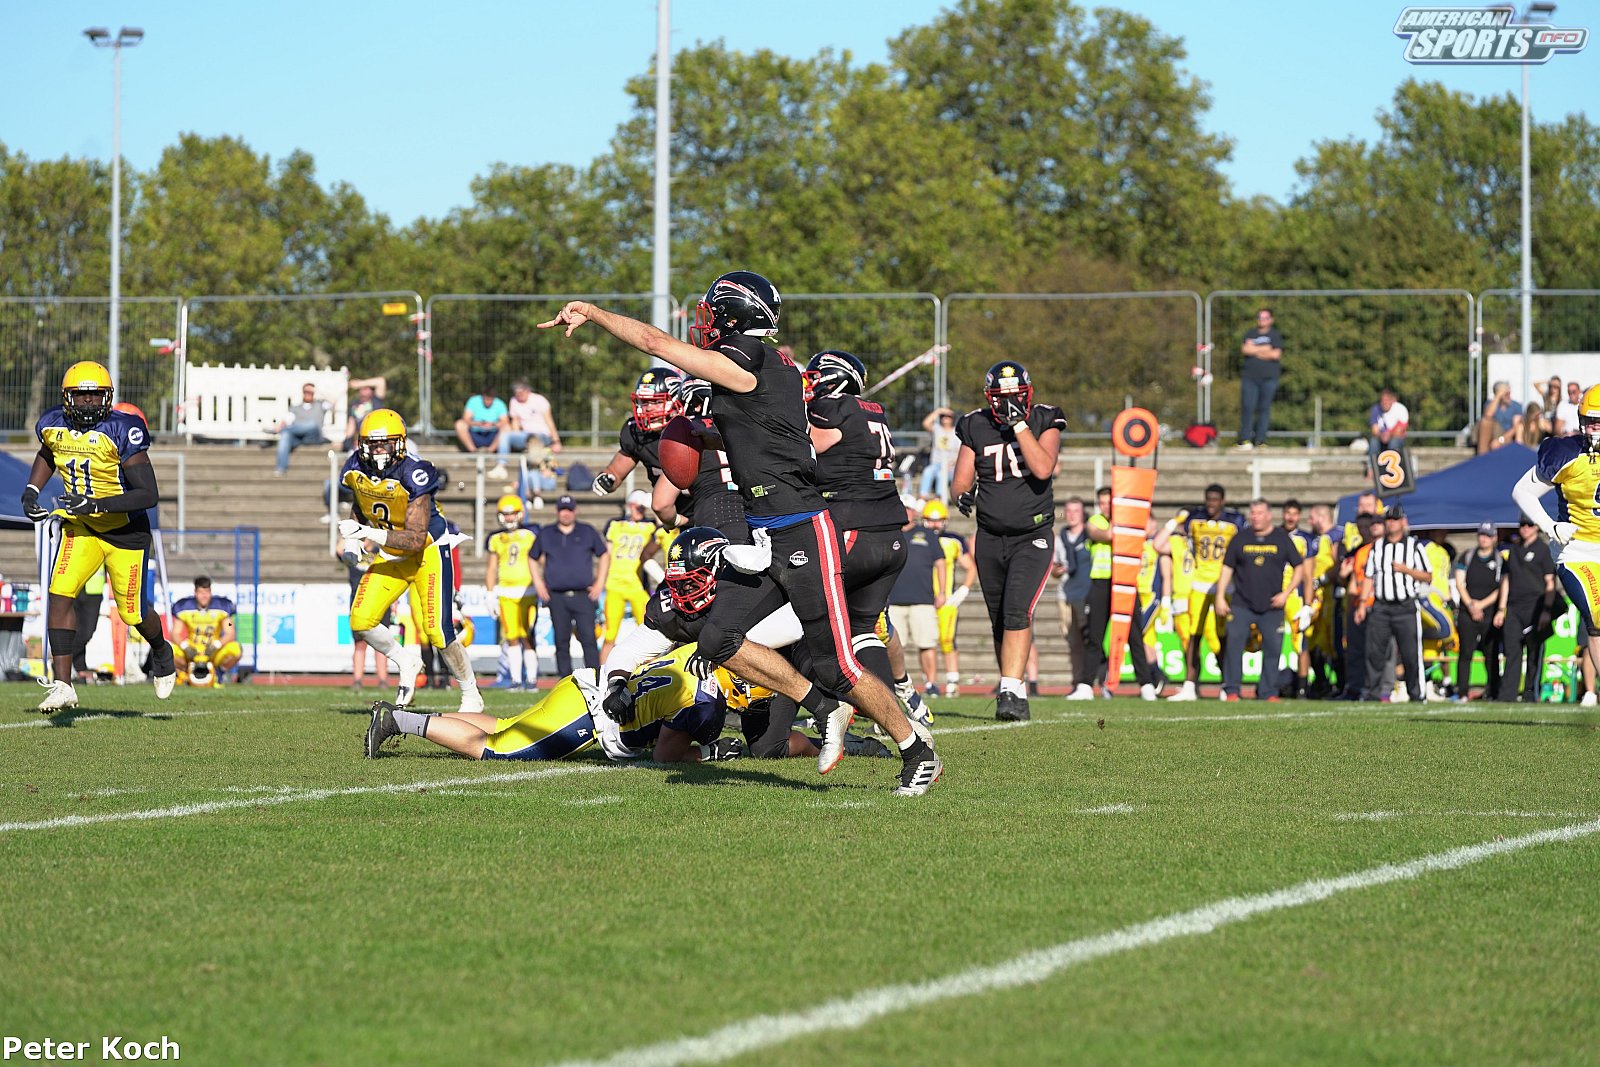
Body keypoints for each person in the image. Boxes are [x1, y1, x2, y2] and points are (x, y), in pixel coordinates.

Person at [538, 274, 940, 795]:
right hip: (764, 531)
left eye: (713, 311)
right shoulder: (768, 367)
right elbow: (747, 429)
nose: (705, 320)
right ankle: (824, 709)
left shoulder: (747, 363)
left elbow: (656, 343)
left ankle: (917, 750)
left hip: (801, 527)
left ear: (735, 316)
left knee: (837, 664)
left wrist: (593, 312)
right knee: (717, 638)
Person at [25, 361, 176, 710]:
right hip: (83, 527)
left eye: (96, 395)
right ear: (67, 398)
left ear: (107, 397)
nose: (89, 402)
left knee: (132, 613)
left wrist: (96, 503)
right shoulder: (51, 424)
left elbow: (148, 494)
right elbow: (47, 453)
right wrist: (32, 490)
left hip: (125, 532)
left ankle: (161, 650)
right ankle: (63, 684)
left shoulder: (123, 430)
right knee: (59, 595)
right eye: (82, 395)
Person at [336, 409, 480, 712]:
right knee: (361, 620)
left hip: (427, 552)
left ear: (399, 443)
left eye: (385, 443)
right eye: (373, 444)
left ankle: (471, 694)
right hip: (392, 553)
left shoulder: (414, 472)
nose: (378, 450)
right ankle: (406, 661)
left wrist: (367, 533)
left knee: (438, 631)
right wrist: (353, 539)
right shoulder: (355, 467)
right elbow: (362, 503)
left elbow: (415, 538)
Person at [949, 360, 1066, 721]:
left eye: (1016, 396)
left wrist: (1018, 425)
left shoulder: (1045, 418)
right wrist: (963, 494)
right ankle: (1014, 690)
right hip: (989, 536)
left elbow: (1043, 467)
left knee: (1017, 610)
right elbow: (960, 481)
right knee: (1000, 618)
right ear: (990, 398)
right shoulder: (976, 424)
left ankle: (1010, 691)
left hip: (1032, 535)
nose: (1010, 402)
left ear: (1028, 394)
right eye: (1003, 397)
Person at [804, 349, 912, 700]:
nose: (810, 386)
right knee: (863, 627)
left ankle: (808, 707)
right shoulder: (872, 410)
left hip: (853, 527)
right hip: (891, 533)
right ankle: (891, 713)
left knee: (807, 612)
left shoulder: (832, 407)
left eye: (815, 378)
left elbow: (807, 450)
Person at [1511, 384, 1600, 708]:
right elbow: (1522, 491)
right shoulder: (1567, 453)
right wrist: (1551, 526)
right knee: (1597, 616)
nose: (1594, 429)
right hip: (1577, 550)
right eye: (1590, 421)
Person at [1155, 483, 1245, 701]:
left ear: (1222, 501)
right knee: (1194, 635)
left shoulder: (1235, 521)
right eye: (1208, 499)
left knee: (1222, 636)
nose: (1211, 504)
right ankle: (1189, 685)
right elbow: (1164, 541)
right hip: (1199, 583)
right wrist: (1177, 520)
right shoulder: (1195, 518)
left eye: (1215, 499)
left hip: (1224, 585)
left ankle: (1228, 684)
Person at [1214, 499, 1311, 701]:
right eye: (1253, 513)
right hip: (1242, 603)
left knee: (1273, 649)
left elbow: (1299, 567)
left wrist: (1286, 593)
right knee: (1233, 645)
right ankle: (1231, 690)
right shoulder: (1240, 538)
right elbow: (1227, 568)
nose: (1255, 517)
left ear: (1268, 515)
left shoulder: (1281, 538)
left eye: (1259, 513)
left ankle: (1268, 691)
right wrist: (1220, 596)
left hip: (1272, 605)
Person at [1083, 487, 1165, 701]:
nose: (1105, 507)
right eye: (1102, 503)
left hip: (1125, 581)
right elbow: (1107, 534)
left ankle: (1146, 684)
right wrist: (1119, 520)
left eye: (1109, 502)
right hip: (1101, 582)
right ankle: (1086, 684)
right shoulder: (1094, 522)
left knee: (1135, 636)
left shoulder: (1127, 521)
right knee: (1095, 636)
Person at [1355, 506, 1432, 702]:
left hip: (1405, 607)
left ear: (1402, 522)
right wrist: (1362, 604)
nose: (1391, 523)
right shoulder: (1377, 547)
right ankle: (1372, 693)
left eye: (1394, 519)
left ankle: (1416, 694)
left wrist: (1406, 570)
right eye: (1388, 520)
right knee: (1374, 652)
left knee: (1410, 653)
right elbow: (1369, 577)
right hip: (1381, 606)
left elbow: (1427, 576)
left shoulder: (1414, 547)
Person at [531, 495, 607, 678]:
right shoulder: (547, 533)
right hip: (557, 596)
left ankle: (595, 679)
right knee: (561, 640)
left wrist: (599, 583)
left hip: (583, 595)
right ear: (557, 511)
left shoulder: (587, 531)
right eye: (562, 510)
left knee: (588, 639)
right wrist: (538, 583)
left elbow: (604, 554)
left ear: (575, 511)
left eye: (569, 510)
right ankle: (564, 680)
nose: (566, 514)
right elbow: (532, 557)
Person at [1494, 516, 1557, 702]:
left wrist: (1546, 609)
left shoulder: (1543, 550)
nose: (1525, 528)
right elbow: (1506, 580)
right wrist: (1501, 609)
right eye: (1522, 525)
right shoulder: (1513, 550)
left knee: (1534, 652)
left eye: (1529, 525)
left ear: (1536, 527)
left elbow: (1550, 582)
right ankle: (1508, 695)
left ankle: (1531, 693)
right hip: (1514, 608)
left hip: (1536, 607)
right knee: (1512, 651)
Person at [485, 494, 541, 691]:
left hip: (528, 592)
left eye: (512, 513)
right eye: (505, 514)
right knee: (512, 637)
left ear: (520, 514)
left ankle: (532, 679)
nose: (509, 518)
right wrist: (490, 593)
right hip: (506, 593)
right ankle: (516, 680)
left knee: (528, 636)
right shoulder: (495, 538)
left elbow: (540, 560)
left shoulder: (531, 534)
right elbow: (491, 567)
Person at [593, 370, 678, 496]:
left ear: (676, 402)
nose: (649, 408)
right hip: (669, 506)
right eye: (644, 402)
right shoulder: (637, 433)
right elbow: (615, 472)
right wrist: (607, 480)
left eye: (657, 402)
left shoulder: (692, 431)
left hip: (703, 503)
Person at [600, 491, 660, 663]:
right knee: (609, 635)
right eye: (637, 507)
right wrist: (600, 581)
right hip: (615, 585)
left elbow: (663, 522)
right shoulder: (615, 524)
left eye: (642, 508)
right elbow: (607, 555)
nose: (640, 511)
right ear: (629, 505)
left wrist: (651, 505)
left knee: (649, 633)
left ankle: (652, 674)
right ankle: (603, 673)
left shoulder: (649, 525)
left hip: (637, 585)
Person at [923, 499, 975, 698]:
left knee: (947, 640)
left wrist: (963, 590)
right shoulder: (918, 538)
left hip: (946, 600)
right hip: (922, 597)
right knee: (926, 643)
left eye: (938, 520)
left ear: (945, 520)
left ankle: (952, 682)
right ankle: (930, 683)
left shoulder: (953, 540)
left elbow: (970, 567)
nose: (934, 524)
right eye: (930, 520)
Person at [1453, 522, 1504, 701]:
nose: (1484, 539)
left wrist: (1481, 605)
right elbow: (1459, 583)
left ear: (1494, 538)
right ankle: (1462, 692)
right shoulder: (1467, 556)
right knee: (1465, 652)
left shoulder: (1499, 560)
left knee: (1491, 653)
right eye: (1482, 535)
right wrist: (1471, 605)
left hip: (1489, 613)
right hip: (1467, 611)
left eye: (1488, 535)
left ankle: (1493, 692)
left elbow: (1502, 588)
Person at [1051, 497, 1093, 699]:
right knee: (1073, 641)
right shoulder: (1060, 538)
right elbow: (1054, 569)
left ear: (1083, 513)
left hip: (1087, 593)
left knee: (1090, 640)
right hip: (1066, 594)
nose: (1072, 515)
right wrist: (1057, 571)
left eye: (1076, 511)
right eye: (1068, 510)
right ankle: (1078, 682)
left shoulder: (1091, 535)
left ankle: (1093, 680)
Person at [170, 576, 242, 686]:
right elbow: (175, 633)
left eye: (207, 592)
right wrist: (185, 647)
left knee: (236, 649)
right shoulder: (184, 607)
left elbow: (230, 632)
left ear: (211, 592)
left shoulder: (222, 607)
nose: (204, 596)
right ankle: (186, 672)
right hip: (192, 649)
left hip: (213, 650)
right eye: (201, 592)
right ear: (195, 592)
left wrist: (216, 645)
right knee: (168, 650)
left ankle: (218, 673)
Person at [1235, 307, 1282, 452]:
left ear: (1271, 320)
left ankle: (1261, 440)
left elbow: (1275, 354)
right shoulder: (1250, 333)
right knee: (1248, 407)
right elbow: (1245, 350)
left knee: (1264, 408)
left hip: (1269, 378)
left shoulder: (1275, 335)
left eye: (1266, 318)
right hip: (1250, 377)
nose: (1262, 320)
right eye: (1260, 317)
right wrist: (1265, 349)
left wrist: (1254, 350)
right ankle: (1245, 439)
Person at [498, 380, 562, 479]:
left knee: (533, 439)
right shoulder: (514, 401)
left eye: (521, 393)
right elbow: (515, 422)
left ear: (527, 390)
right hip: (525, 435)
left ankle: (537, 468)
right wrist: (516, 438)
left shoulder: (540, 400)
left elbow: (549, 420)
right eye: (516, 393)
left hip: (542, 435)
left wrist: (556, 441)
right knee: (505, 434)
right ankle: (501, 465)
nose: (519, 396)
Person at [345, 559, 390, 692]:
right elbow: (339, 550)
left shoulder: (382, 552)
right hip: (359, 603)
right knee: (359, 644)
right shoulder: (354, 552)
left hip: (380, 603)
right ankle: (357, 680)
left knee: (381, 644)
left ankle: (383, 680)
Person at [268, 382, 332, 476]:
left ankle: (280, 431)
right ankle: (281, 469)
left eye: (310, 391)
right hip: (299, 438)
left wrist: (318, 391)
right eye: (306, 391)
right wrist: (280, 425)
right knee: (285, 434)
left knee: (312, 424)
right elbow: (287, 420)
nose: (308, 393)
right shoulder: (295, 408)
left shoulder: (320, 405)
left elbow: (333, 401)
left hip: (314, 436)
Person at [454, 385, 508, 470]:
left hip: (492, 434)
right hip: (475, 433)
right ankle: (473, 451)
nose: (488, 402)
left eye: (490, 400)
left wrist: (493, 424)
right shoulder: (473, 401)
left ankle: (490, 451)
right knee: (459, 424)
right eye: (486, 399)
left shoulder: (500, 403)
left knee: (507, 428)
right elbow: (466, 419)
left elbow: (505, 421)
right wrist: (477, 424)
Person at [920, 407, 961, 501]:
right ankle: (922, 498)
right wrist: (938, 411)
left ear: (952, 419)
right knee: (927, 471)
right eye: (943, 416)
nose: (945, 418)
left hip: (950, 466)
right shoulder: (937, 429)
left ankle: (939, 498)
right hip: (936, 464)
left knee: (941, 474)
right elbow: (926, 423)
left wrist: (951, 464)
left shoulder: (956, 432)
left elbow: (959, 452)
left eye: (948, 416)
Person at [1368, 388, 1409, 471]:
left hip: (1396, 438)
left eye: (1387, 400)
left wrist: (1388, 435)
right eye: (1382, 400)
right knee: (1373, 442)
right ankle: (1371, 470)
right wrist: (1381, 435)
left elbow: (1399, 431)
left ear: (1392, 400)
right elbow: (1374, 430)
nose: (1384, 403)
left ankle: (1391, 470)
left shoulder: (1400, 409)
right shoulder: (1376, 409)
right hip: (1381, 438)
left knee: (1394, 442)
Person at [1478, 380, 1524, 453]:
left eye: (1509, 393)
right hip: (1492, 435)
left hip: (1508, 436)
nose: (1508, 395)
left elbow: (1517, 426)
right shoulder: (1490, 404)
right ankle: (1482, 455)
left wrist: (1501, 440)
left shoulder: (1516, 406)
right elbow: (1488, 415)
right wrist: (1498, 396)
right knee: (1485, 421)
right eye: (1505, 393)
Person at [343, 376, 388, 449]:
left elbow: (381, 381)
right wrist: (347, 442)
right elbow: (351, 424)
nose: (362, 390)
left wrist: (359, 383)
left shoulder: (376, 401)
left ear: (372, 391)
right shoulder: (354, 405)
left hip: (379, 438)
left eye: (366, 388)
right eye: (361, 388)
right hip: (363, 441)